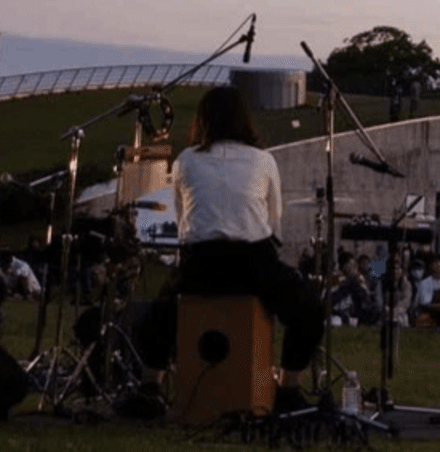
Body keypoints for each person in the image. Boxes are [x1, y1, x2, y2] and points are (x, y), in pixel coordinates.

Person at [126, 86, 325, 418]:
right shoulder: (263, 160)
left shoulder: (186, 160)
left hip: (200, 264)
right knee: (308, 310)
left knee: (156, 317)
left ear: (202, 121)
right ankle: (289, 390)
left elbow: (181, 215)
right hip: (253, 262)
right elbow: (274, 220)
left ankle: (150, 387)